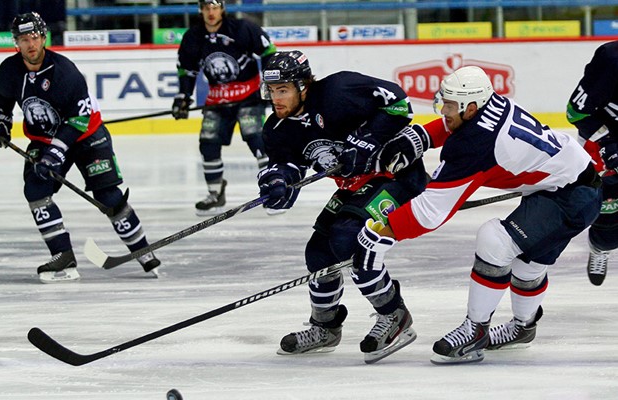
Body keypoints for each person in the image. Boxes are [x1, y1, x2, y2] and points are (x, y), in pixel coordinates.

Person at [356, 65, 602, 364]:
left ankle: (475, 331)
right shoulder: (488, 104)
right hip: (567, 181)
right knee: (527, 266)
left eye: (449, 105)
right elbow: (459, 125)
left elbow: (431, 211)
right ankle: (523, 328)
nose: (443, 110)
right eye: (443, 102)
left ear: (470, 107)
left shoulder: (474, 144)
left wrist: (384, 232)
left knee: (495, 241)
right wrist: (421, 136)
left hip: (569, 196)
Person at [257, 50, 450, 363]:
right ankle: (325, 328)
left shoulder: (338, 91)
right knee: (318, 253)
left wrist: (366, 142)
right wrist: (278, 182)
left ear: (303, 86)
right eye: (272, 91)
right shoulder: (278, 128)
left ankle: (394, 316)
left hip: (396, 176)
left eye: (283, 90)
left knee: (349, 241)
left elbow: (399, 103)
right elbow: (286, 165)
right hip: (356, 187)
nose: (275, 98)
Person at [0, 12, 161, 283]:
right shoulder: (8, 70)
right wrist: (1, 125)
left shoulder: (65, 71)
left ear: (44, 37)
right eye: (24, 39)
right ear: (16, 42)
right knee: (36, 189)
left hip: (87, 135)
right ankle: (63, 255)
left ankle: (142, 250)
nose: (31, 45)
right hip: (43, 138)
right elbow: (2, 102)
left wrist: (56, 153)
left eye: (35, 37)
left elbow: (78, 120)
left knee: (108, 195)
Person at [172, 0, 277, 215]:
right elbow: (187, 69)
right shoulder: (192, 37)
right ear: (200, 10)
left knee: (257, 139)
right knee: (208, 143)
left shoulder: (242, 28)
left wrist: (269, 85)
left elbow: (268, 51)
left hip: (248, 96)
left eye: (215, 7)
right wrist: (183, 96)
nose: (211, 12)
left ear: (222, 9)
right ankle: (215, 193)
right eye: (206, 8)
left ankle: (273, 190)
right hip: (217, 99)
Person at [566, 40, 618, 286]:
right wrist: (608, 143)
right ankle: (600, 247)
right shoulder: (611, 59)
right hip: (604, 143)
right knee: (607, 228)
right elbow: (576, 112)